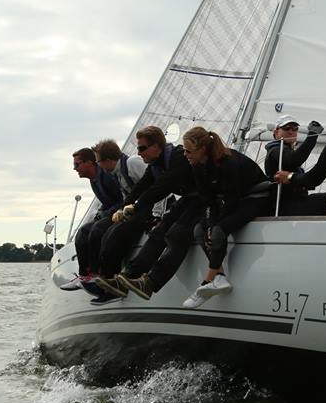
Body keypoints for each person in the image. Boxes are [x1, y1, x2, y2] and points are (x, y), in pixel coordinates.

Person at [98, 127, 203, 301]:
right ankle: (128, 277)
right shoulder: (156, 165)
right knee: (158, 231)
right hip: (190, 199)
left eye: (142, 148)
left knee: (176, 234)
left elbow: (162, 187)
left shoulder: (178, 157)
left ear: (156, 146)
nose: (139, 153)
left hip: (206, 199)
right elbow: (141, 187)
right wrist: (122, 208)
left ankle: (151, 282)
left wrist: (135, 207)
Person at [181, 127, 271, 308]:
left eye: (188, 151)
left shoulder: (228, 162)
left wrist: (215, 226)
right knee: (199, 230)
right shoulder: (197, 166)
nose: (185, 154)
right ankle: (220, 276)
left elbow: (231, 201)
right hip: (234, 199)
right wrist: (209, 224)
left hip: (256, 198)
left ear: (202, 149)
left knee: (218, 230)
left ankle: (207, 282)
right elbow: (208, 200)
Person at [61, 147, 122, 291]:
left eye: (77, 164)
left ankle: (96, 274)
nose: (75, 168)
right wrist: (102, 212)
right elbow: (107, 202)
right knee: (82, 232)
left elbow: (122, 199)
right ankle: (84, 275)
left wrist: (105, 214)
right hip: (110, 213)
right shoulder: (94, 180)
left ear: (89, 163)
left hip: (120, 213)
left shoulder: (106, 176)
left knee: (96, 229)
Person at [263, 115, 326, 216]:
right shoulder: (275, 150)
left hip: (296, 202)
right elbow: (294, 160)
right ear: (276, 132)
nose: (291, 132)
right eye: (286, 128)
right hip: (284, 206)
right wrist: (313, 135)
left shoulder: (285, 150)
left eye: (295, 129)